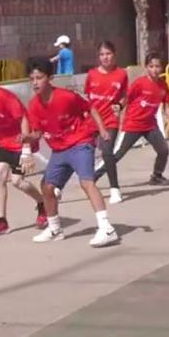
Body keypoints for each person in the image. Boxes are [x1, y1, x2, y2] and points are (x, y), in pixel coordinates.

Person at [26, 57, 118, 247]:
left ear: (49, 78)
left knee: (87, 183)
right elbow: (37, 133)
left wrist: (101, 130)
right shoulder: (34, 105)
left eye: (39, 78)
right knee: (47, 188)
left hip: (80, 142)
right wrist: (28, 139)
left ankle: (107, 229)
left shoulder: (66, 97)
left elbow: (90, 108)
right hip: (59, 150)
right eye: (32, 79)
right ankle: (54, 229)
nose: (35, 82)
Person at [0, 60, 48, 237]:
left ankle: (43, 203)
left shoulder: (4, 96)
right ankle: (1, 221)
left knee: (17, 181)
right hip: (5, 144)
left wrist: (26, 148)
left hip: (20, 142)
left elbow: (23, 120)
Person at [99, 52, 169, 186]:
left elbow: (167, 107)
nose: (154, 70)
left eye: (158, 66)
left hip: (150, 126)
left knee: (163, 150)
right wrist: (119, 106)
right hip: (133, 125)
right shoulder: (140, 83)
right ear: (146, 67)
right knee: (118, 154)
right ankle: (95, 176)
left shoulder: (163, 85)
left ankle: (156, 175)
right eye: (151, 66)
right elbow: (127, 98)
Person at [83, 41, 128, 203]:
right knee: (80, 152)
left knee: (107, 151)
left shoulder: (122, 74)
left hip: (110, 120)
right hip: (91, 120)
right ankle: (59, 186)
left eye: (108, 54)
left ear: (114, 55)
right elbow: (87, 97)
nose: (105, 57)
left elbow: (124, 95)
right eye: (102, 54)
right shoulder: (92, 74)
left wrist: (119, 105)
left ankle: (115, 189)